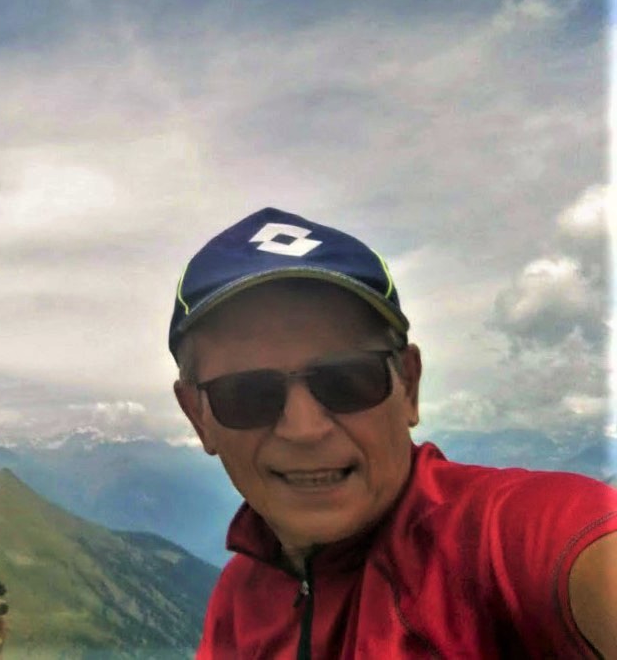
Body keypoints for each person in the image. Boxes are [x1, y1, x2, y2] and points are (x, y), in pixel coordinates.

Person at [170, 208, 617, 659]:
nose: (304, 429)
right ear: (197, 416)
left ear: (409, 386)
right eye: (247, 394)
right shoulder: (237, 593)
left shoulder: (501, 542)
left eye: (348, 380)